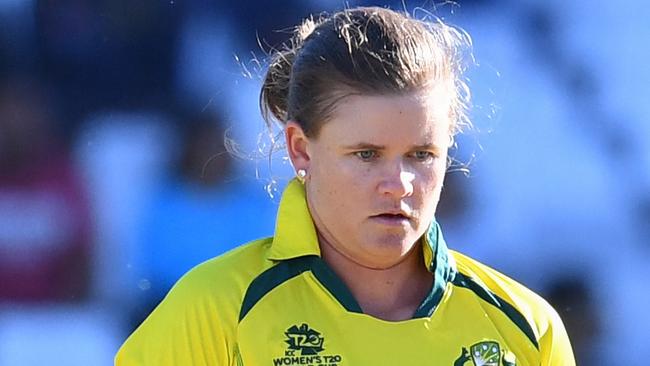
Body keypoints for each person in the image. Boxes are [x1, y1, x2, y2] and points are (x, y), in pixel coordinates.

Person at [115, 6, 575, 365]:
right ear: (301, 150)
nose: (399, 185)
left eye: (422, 155)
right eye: (367, 155)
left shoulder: (526, 330)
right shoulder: (214, 313)